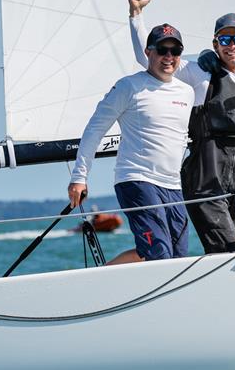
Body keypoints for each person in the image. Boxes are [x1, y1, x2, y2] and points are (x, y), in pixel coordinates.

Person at [129, 0, 235, 254]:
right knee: (229, 250)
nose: (231, 46)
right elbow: (149, 58)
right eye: (224, 39)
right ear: (215, 43)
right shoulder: (199, 72)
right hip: (204, 181)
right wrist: (136, 15)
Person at [68, 24, 193, 264]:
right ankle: (101, 283)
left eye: (175, 50)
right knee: (158, 253)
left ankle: (109, 276)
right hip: (137, 179)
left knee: (178, 257)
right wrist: (79, 176)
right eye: (162, 49)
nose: (169, 56)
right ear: (148, 52)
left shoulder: (186, 92)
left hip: (173, 186)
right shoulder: (129, 86)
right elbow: (95, 128)